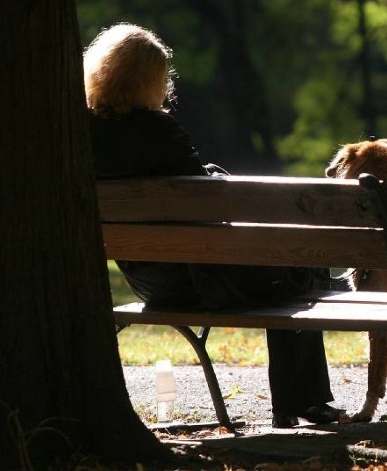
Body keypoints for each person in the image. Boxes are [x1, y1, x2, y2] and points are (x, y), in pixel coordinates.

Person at [83, 22, 344, 428]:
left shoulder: (82, 131)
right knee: (296, 269)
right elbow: (204, 200)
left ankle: (322, 307)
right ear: (150, 78)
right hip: (202, 280)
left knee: (293, 270)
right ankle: (304, 400)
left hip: (151, 282)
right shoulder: (158, 129)